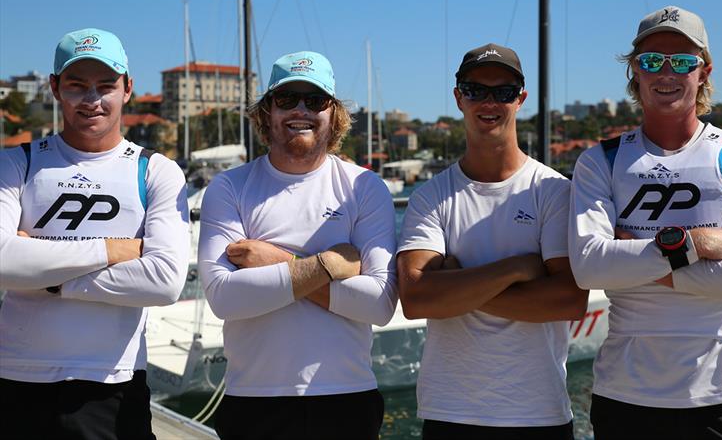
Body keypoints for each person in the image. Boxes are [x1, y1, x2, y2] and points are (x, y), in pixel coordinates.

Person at [569, 6, 722, 439]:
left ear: (704, 71)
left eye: (683, 61)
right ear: (634, 71)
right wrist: (698, 244)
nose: (666, 73)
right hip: (627, 398)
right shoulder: (601, 161)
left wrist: (637, 259)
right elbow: (589, 268)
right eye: (652, 60)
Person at [0, 28, 189, 439]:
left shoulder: (155, 170)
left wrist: (44, 276)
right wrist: (111, 248)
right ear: (54, 88)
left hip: (113, 385)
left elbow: (164, 282)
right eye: (76, 86)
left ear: (128, 89)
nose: (92, 100)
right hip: (16, 379)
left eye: (106, 85)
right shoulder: (16, 163)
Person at [198, 51, 397, 440]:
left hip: (346, 398)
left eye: (315, 100)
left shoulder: (364, 187)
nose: (300, 110)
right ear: (267, 111)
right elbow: (225, 298)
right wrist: (332, 264)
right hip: (253, 400)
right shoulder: (229, 187)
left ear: (334, 113)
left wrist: (278, 261)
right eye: (287, 99)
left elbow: (379, 303)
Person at [397, 43, 587, 440]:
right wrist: (515, 269)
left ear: (520, 99)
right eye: (475, 90)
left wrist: (457, 287)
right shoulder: (430, 196)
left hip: (539, 415)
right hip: (450, 413)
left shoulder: (553, 191)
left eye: (502, 92)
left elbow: (568, 300)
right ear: (458, 98)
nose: (489, 102)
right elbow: (415, 300)